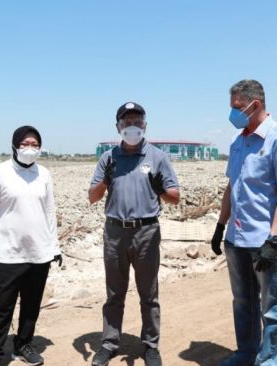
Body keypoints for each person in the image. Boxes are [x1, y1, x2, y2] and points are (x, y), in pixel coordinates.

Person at [210, 80, 277, 366]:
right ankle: (246, 353)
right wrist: (220, 226)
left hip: (264, 242)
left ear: (255, 105)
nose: (233, 114)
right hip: (236, 240)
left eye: (237, 108)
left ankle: (268, 361)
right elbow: (231, 187)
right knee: (243, 302)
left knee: (271, 307)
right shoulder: (239, 142)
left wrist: (274, 239)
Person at [88, 102, 180, 366]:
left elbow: (175, 197)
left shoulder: (158, 157)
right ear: (118, 126)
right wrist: (105, 179)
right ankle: (108, 343)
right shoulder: (108, 158)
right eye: (127, 121)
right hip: (115, 232)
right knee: (114, 293)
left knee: (148, 294)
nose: (132, 126)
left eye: (137, 121)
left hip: (146, 232)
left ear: (145, 125)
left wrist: (160, 188)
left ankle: (150, 345)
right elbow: (93, 197)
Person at [0, 125, 62, 366]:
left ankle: (23, 345)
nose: (30, 148)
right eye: (25, 143)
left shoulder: (43, 174)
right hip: (9, 253)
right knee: (2, 306)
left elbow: (50, 212)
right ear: (14, 145)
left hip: (39, 253)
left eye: (35, 144)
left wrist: (55, 247)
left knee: (32, 305)